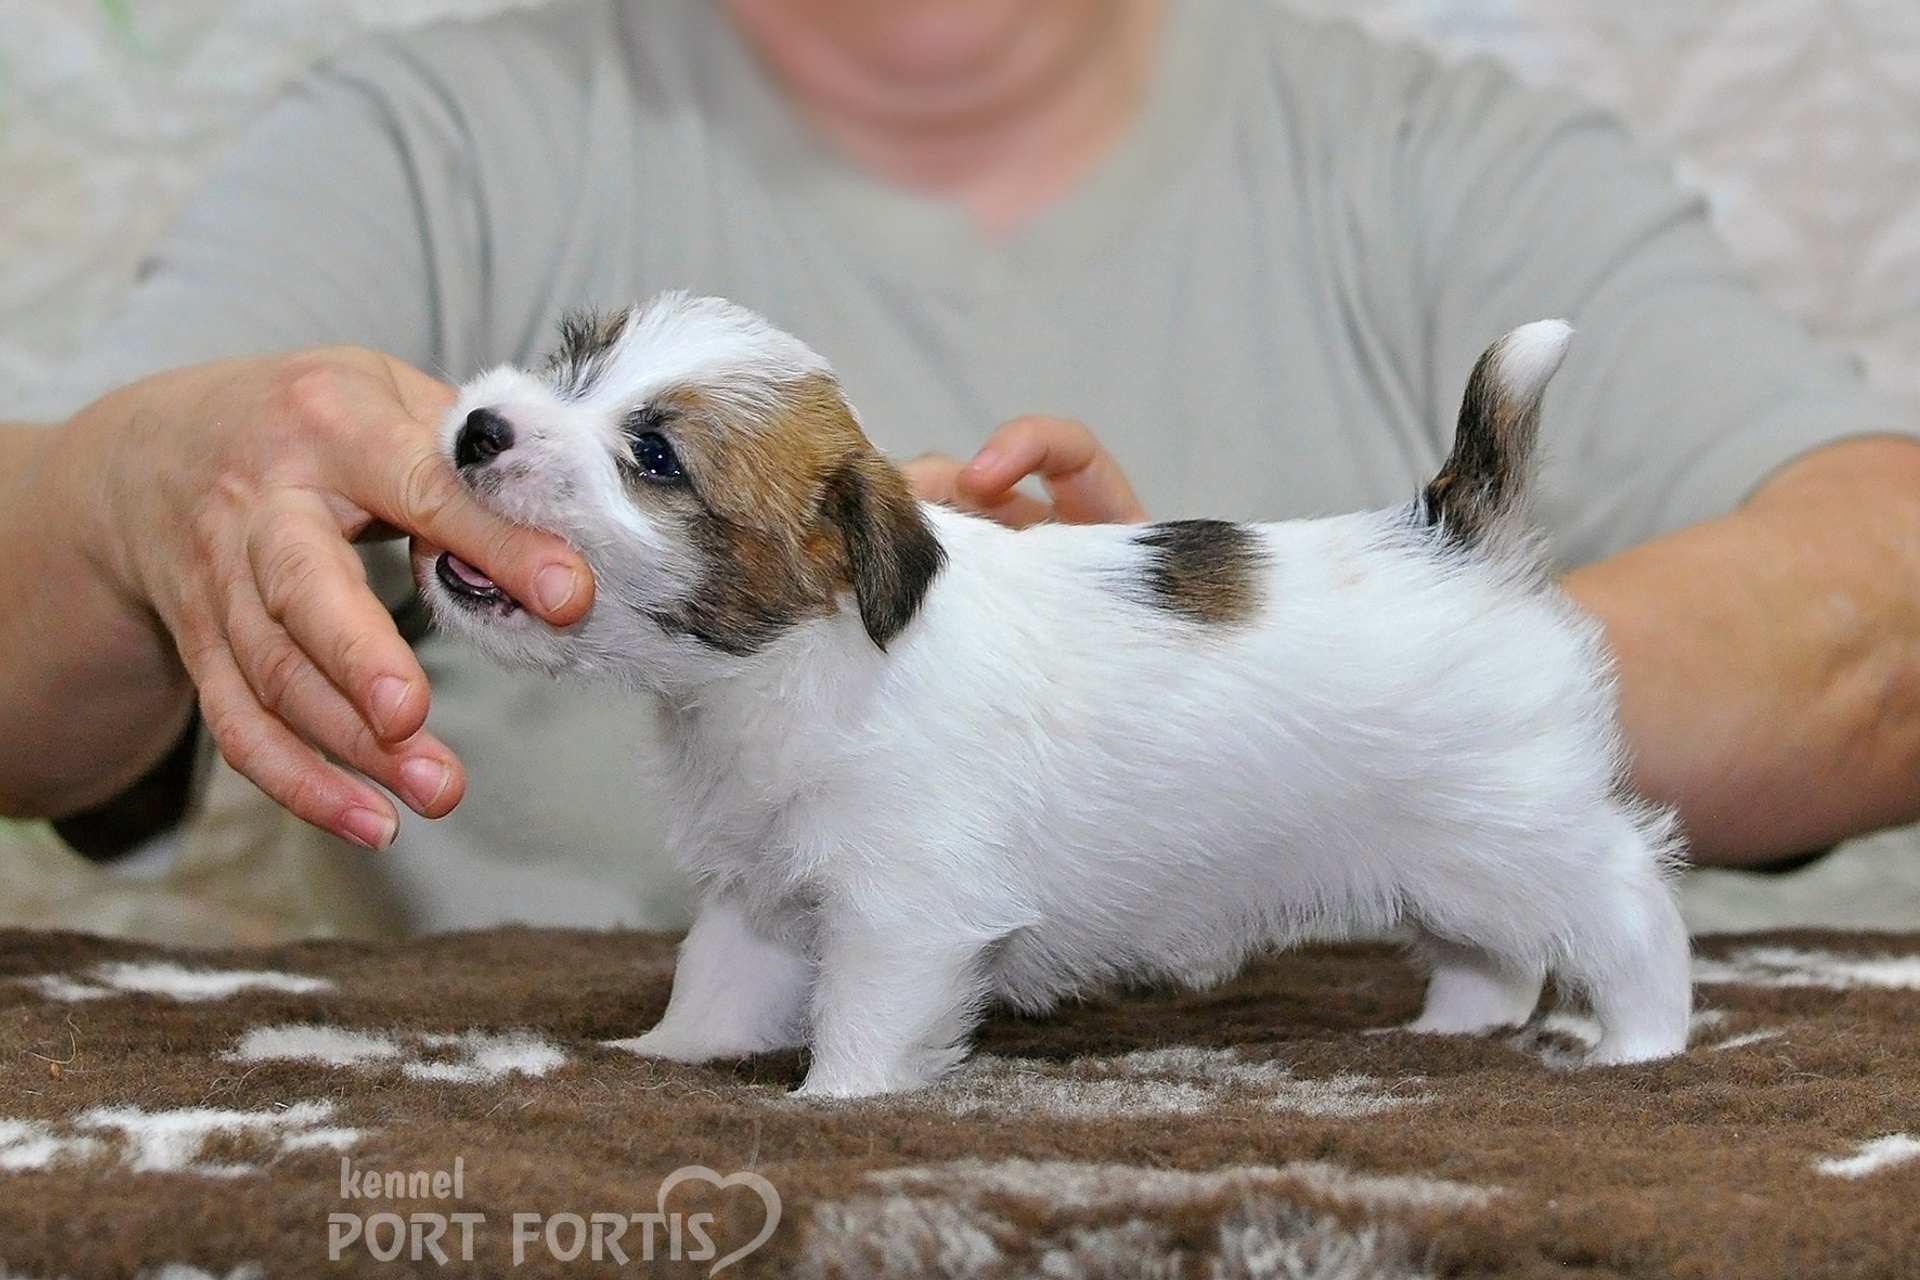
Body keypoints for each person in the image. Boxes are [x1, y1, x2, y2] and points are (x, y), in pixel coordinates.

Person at [4, 0, 1918, 932]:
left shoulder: (1447, 152)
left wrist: (1284, 697)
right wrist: (123, 492)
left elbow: (1882, 594)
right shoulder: (424, 134)